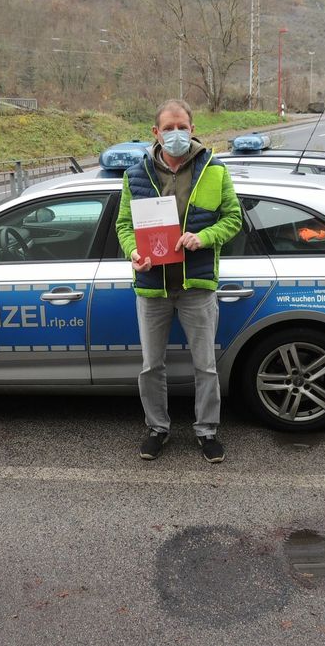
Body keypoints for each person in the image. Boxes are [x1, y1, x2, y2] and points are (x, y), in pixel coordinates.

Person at [115, 99, 242, 463]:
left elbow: (234, 219)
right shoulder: (135, 175)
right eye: (168, 128)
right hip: (152, 286)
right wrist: (132, 252)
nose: (175, 134)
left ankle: (207, 431)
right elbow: (125, 225)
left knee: (205, 365)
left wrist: (204, 237)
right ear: (155, 133)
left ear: (192, 127)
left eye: (181, 126)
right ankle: (157, 428)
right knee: (151, 366)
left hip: (196, 287)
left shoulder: (214, 170)